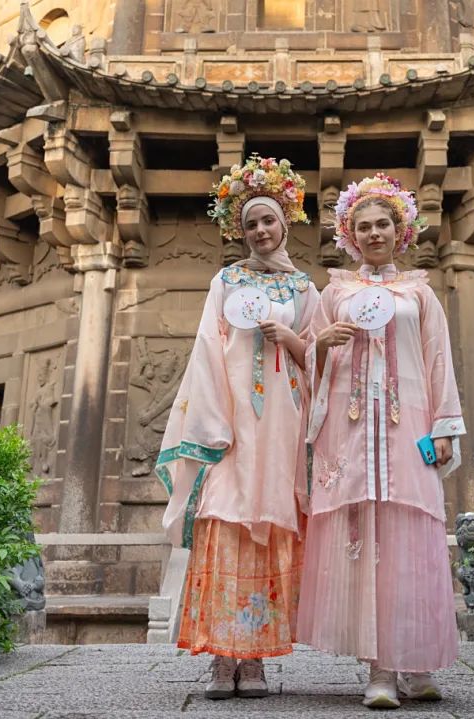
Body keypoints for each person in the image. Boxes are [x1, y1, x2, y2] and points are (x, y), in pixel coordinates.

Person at [297, 174, 465, 708]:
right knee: (367, 543)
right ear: (350, 235)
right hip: (349, 433)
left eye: (383, 225)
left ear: (400, 230)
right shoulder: (336, 293)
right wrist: (322, 343)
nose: (374, 233)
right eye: (364, 226)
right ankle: (379, 670)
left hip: (406, 429)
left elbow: (438, 360)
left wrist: (443, 427)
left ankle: (416, 664)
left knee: (411, 539)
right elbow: (307, 353)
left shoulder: (420, 294)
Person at [157, 156, 319, 699]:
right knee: (225, 519)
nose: (261, 230)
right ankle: (221, 657)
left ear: (285, 223)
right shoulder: (224, 282)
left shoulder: (304, 289)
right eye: (251, 223)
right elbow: (208, 348)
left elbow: (321, 358)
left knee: (269, 522)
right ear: (240, 230)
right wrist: (212, 422)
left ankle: (254, 660)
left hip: (282, 421)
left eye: (269, 220)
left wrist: (290, 340)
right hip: (230, 418)